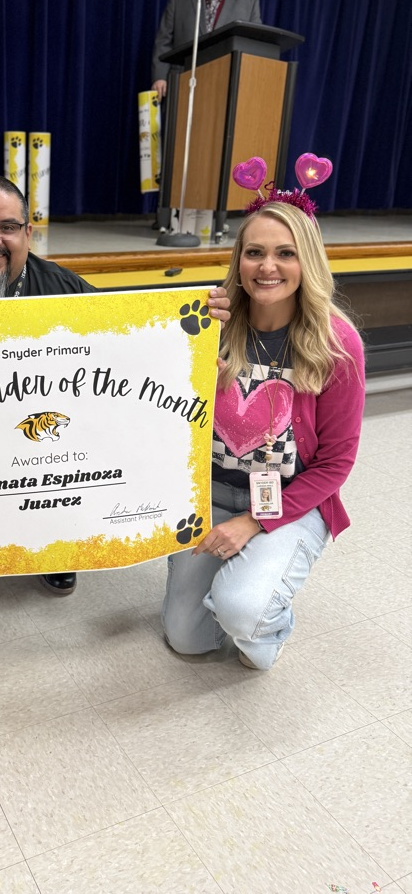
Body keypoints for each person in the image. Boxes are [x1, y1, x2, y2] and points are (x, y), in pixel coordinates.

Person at [0, 173, 232, 595]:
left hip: (45, 438)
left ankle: (59, 545)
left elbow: (128, 340)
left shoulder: (64, 289)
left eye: (7, 227)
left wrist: (191, 329)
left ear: (28, 233)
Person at [161, 193, 365, 670]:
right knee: (186, 639)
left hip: (292, 501)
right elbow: (163, 410)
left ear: (307, 262)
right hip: (210, 492)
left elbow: (336, 463)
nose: (267, 266)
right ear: (239, 260)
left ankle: (263, 609)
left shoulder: (337, 343)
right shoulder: (210, 323)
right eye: (254, 252)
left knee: (245, 617)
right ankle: (239, 586)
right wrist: (185, 358)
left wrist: (253, 522)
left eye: (285, 253)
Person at [151, 0, 262, 101]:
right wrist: (159, 77)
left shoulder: (250, 3)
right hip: (181, 86)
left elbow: (254, 52)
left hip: (224, 91)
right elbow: (164, 41)